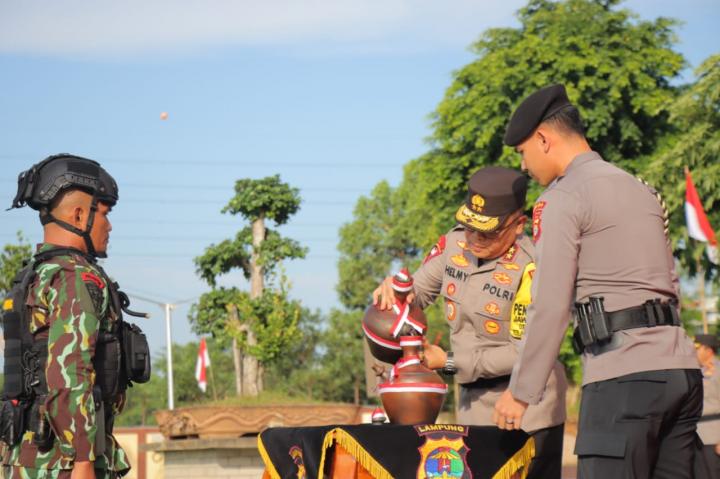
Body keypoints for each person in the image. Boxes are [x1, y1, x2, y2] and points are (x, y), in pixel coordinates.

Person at [493, 84, 701, 478]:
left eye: (522, 152)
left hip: (623, 378)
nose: (523, 165)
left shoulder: (563, 198)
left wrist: (521, 393)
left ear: (543, 139)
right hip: (681, 374)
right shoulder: (642, 190)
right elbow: (670, 284)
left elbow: (551, 303)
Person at [373, 166, 567, 479]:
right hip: (473, 410)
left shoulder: (533, 266)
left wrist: (448, 362)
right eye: (468, 226)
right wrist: (393, 292)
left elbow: (527, 351)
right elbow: (415, 294)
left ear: (518, 225)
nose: (474, 238)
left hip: (528, 411)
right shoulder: (454, 247)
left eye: (487, 232)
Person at [2, 154, 150, 479]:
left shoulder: (32, 277)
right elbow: (69, 373)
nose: (109, 226)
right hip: (65, 462)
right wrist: (82, 460)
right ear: (80, 215)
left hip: (26, 459)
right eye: (105, 214)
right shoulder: (74, 279)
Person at [695, 334, 720, 479]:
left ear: (708, 350)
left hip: (714, 436)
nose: (695, 352)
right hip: (697, 436)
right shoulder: (696, 371)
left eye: (698, 348)